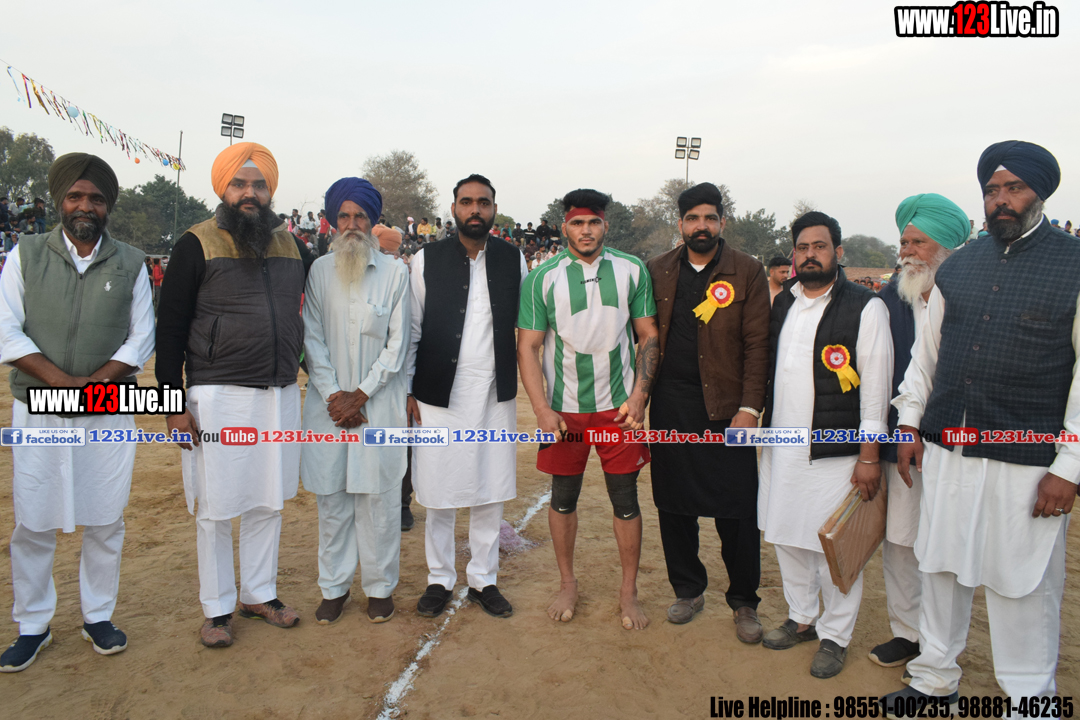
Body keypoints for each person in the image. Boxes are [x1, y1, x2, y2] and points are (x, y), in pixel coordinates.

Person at [881, 141, 1079, 710]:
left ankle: (1029, 700)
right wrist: (910, 424)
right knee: (940, 565)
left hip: (1028, 460)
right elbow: (926, 356)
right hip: (949, 450)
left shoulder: (1073, 264)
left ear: (1040, 193)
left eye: (1014, 188)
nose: (1001, 200)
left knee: (1023, 584)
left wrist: (1069, 467)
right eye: (992, 190)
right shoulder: (961, 264)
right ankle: (934, 679)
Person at [0, 153, 154, 672]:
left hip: (107, 408)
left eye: (96, 198)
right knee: (34, 519)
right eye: (75, 196)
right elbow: (6, 330)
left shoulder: (131, 262)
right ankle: (32, 625)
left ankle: (98, 616)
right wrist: (62, 383)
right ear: (59, 201)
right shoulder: (25, 255)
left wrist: (95, 384)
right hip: (39, 407)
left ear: (108, 206)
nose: (85, 206)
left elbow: (141, 338)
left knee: (106, 516)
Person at [156, 142, 314, 648]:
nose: (250, 193)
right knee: (216, 506)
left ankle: (259, 594)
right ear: (223, 188)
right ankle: (218, 608)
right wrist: (171, 405)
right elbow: (170, 329)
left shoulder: (291, 246)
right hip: (216, 394)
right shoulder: (195, 242)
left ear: (270, 191)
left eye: (259, 185)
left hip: (279, 393)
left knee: (269, 499)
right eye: (240, 184)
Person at [759, 211, 893, 678]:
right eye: (802, 248)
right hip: (783, 444)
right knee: (786, 534)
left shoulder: (866, 307)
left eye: (819, 246)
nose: (810, 255)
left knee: (833, 546)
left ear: (838, 252)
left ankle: (835, 636)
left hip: (838, 451)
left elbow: (876, 389)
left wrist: (869, 456)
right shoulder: (785, 302)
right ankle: (801, 618)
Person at [518, 188, 659, 631]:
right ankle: (568, 583)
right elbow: (528, 346)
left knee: (626, 499)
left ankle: (628, 592)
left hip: (619, 409)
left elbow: (648, 336)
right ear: (565, 227)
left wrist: (639, 396)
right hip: (565, 412)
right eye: (577, 223)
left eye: (593, 222)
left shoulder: (632, 269)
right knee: (563, 498)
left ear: (605, 226)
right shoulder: (542, 277)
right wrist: (541, 409)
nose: (586, 231)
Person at [645, 183, 770, 641]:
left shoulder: (747, 270)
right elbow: (642, 336)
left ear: (722, 222)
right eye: (693, 218)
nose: (702, 226)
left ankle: (744, 601)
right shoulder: (656, 269)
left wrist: (749, 408)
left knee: (737, 507)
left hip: (727, 408)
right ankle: (688, 589)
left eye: (710, 218)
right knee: (673, 503)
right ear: (680, 223)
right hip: (671, 405)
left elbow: (758, 344)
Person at [407, 174, 527, 619]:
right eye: (466, 202)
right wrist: (408, 389)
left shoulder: (513, 259)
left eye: (483, 202)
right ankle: (439, 579)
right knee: (438, 490)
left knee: (490, 488)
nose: (475, 209)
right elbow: (413, 328)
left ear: (494, 208)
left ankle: (483, 579)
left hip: (494, 392)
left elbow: (526, 326)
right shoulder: (426, 259)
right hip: (438, 394)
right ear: (454, 208)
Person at [301, 178, 409, 624]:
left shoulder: (396, 273)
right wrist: (335, 396)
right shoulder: (319, 271)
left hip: (377, 406)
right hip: (329, 408)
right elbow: (311, 338)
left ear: (372, 221)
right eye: (343, 216)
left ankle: (380, 588)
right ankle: (334, 588)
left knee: (378, 502)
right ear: (332, 221)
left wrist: (361, 394)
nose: (351, 225)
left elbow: (399, 344)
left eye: (359, 216)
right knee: (332, 500)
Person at [870, 193, 967, 673]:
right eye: (904, 242)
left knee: (946, 546)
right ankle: (907, 633)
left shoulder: (968, 293)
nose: (907, 252)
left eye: (918, 243)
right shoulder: (889, 298)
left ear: (946, 248)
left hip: (957, 447)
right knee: (902, 539)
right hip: (901, 442)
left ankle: (939, 647)